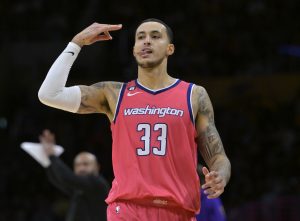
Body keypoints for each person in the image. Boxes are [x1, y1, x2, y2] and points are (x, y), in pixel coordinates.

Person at [38, 18, 231, 221]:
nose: (146, 41)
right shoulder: (113, 94)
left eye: (155, 36)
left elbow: (218, 157)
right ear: (134, 49)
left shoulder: (194, 95)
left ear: (170, 49)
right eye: (140, 37)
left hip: (177, 211)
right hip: (126, 210)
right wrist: (76, 42)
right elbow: (49, 94)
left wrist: (220, 177)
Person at [39, 129, 110, 221]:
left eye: (86, 164)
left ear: (97, 167)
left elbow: (66, 178)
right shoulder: (79, 189)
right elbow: (57, 180)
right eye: (78, 165)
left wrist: (52, 156)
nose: (81, 168)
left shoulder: (97, 183)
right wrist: (47, 161)